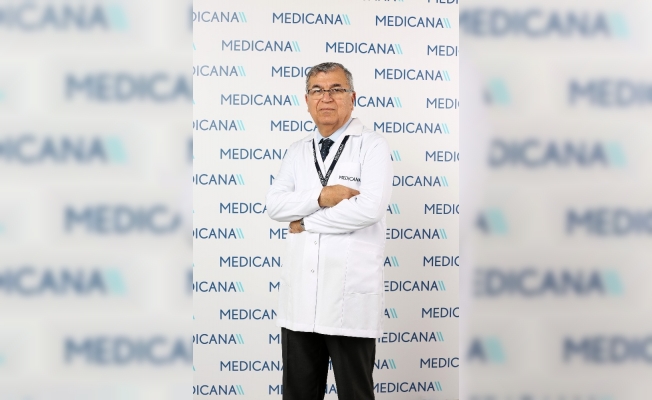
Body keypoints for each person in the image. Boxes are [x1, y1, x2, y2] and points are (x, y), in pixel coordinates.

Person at [266, 62, 393, 400]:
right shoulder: (296, 151)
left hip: (348, 299)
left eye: (336, 89)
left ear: (352, 97)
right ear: (307, 101)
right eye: (317, 90)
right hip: (300, 301)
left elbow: (369, 209)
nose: (326, 98)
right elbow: (275, 206)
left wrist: (306, 222)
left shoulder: (372, 146)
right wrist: (323, 196)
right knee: (299, 394)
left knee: (356, 394)